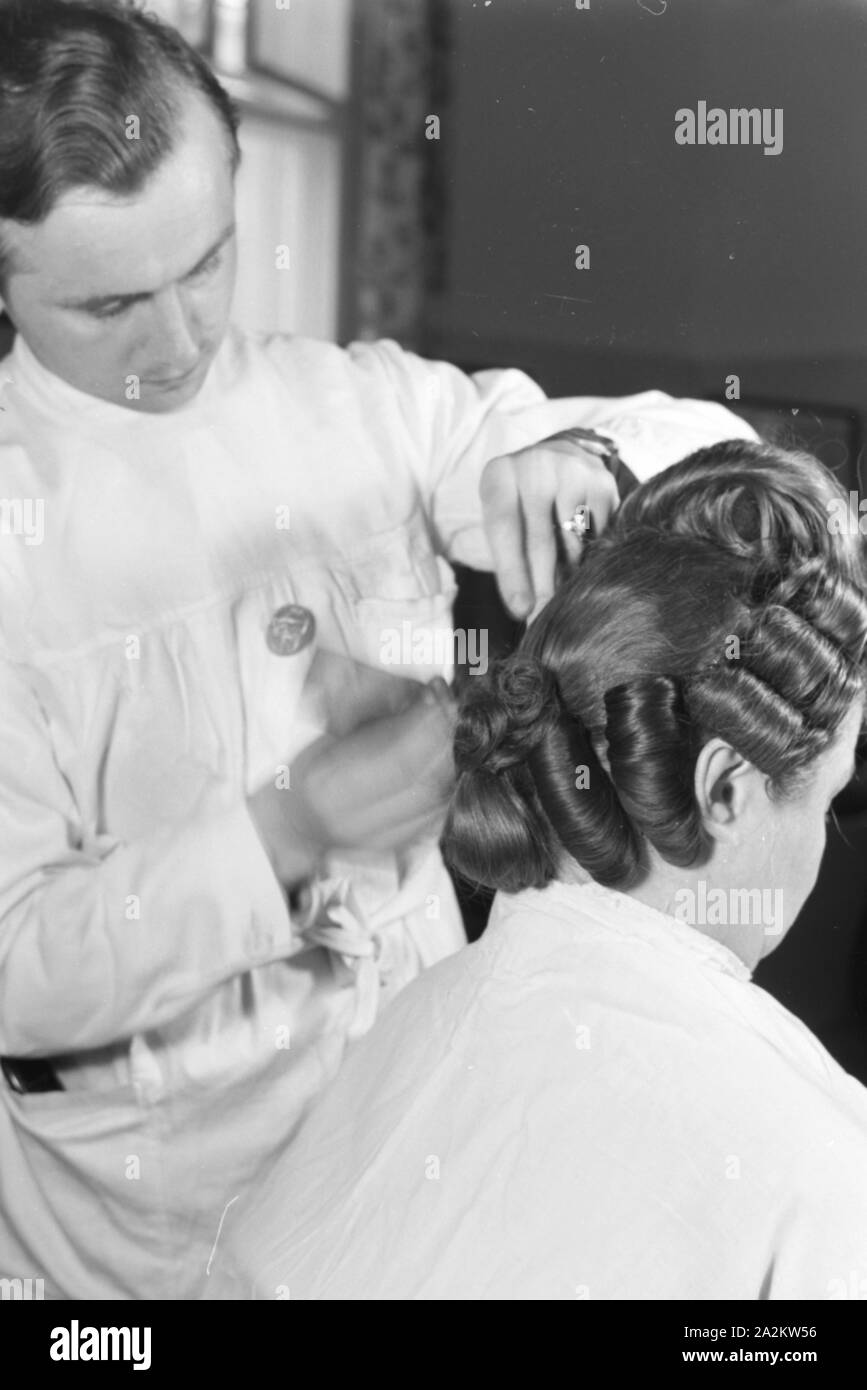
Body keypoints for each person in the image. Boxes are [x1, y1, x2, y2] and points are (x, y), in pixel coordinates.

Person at [0, 0, 754, 1298]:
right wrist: (283, 834)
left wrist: (580, 459)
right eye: (111, 301)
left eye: (208, 262)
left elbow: (700, 447)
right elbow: (16, 969)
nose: (178, 341)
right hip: (150, 1235)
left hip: (414, 1136)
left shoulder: (361, 409)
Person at [204, 440, 867, 1301]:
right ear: (726, 793)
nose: (820, 845)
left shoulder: (411, 1026)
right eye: (825, 800)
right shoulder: (817, 1161)